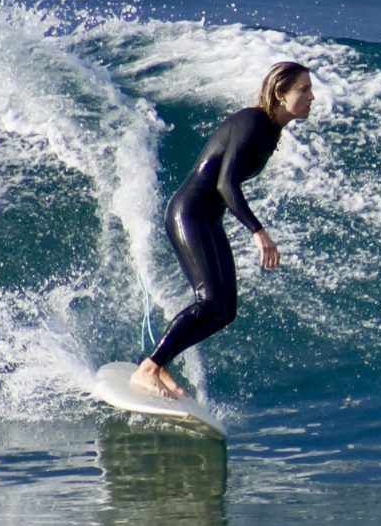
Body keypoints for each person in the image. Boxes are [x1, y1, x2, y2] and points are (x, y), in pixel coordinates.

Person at [133, 61, 314, 400]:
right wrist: (258, 231)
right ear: (279, 93)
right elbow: (225, 183)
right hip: (189, 213)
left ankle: (158, 363)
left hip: (206, 219)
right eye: (303, 89)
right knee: (209, 301)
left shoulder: (269, 129)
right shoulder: (253, 122)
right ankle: (148, 368)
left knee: (224, 310)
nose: (311, 96)